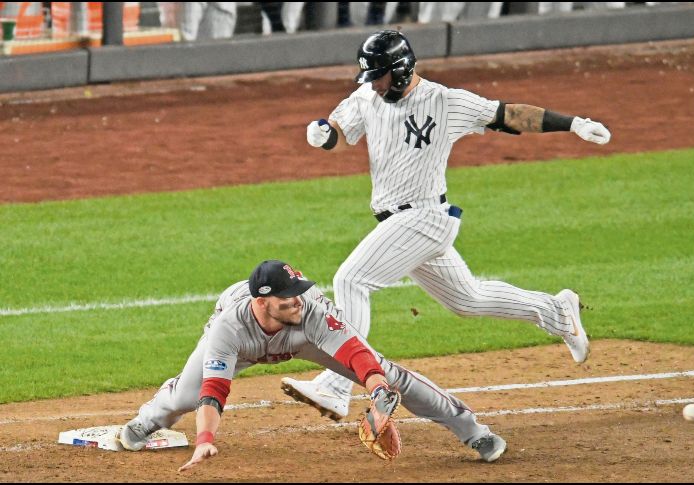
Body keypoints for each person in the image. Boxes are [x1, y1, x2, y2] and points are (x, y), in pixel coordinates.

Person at [283, 30, 610, 421]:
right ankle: (556, 310)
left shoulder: (444, 101)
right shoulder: (366, 97)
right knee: (468, 300)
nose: (373, 82)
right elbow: (338, 131)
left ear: (401, 70)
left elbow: (508, 115)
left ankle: (337, 386)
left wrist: (573, 124)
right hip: (400, 222)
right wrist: (321, 133)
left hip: (424, 216)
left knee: (352, 280)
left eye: (379, 75)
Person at [118, 260, 508, 468]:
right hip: (244, 346)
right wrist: (205, 442)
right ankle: (148, 420)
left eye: (298, 294)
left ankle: (474, 431)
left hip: (303, 341)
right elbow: (214, 391)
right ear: (261, 302)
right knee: (188, 394)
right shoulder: (228, 327)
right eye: (287, 298)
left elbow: (358, 353)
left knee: (390, 375)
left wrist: (376, 389)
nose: (297, 302)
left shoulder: (312, 313)